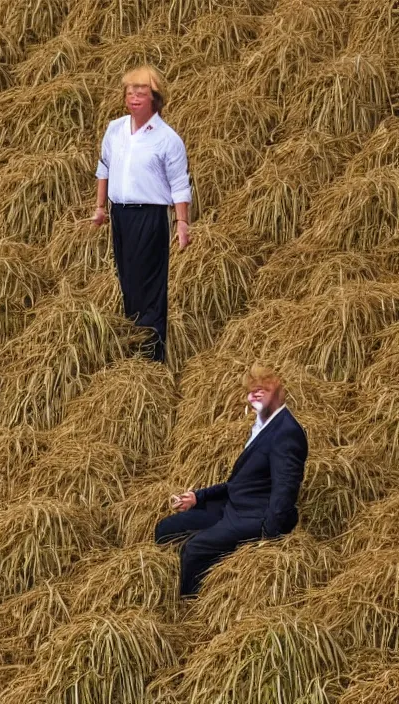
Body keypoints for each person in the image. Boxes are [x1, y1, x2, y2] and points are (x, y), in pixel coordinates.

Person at [155, 364, 308, 597]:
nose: (255, 396)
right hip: (231, 507)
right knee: (165, 529)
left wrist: (268, 537)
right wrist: (199, 497)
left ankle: (189, 606)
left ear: (278, 392)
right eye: (252, 391)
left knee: (194, 549)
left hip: (253, 517)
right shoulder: (263, 426)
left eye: (263, 390)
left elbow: (284, 490)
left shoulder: (286, 433)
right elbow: (241, 483)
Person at [92, 65, 192, 362]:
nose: (134, 96)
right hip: (120, 216)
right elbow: (104, 168)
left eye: (142, 91)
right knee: (128, 280)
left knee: (149, 283)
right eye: (129, 91)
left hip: (149, 218)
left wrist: (182, 222)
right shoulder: (115, 129)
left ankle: (152, 354)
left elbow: (179, 184)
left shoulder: (167, 138)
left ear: (155, 98)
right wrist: (100, 208)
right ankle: (133, 343)